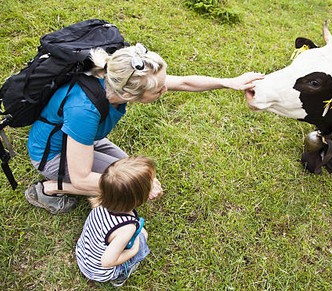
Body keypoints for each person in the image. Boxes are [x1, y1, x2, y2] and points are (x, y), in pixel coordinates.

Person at [24, 43, 264, 214]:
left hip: (85, 140)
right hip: (52, 155)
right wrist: (139, 186)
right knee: (132, 185)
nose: (165, 90)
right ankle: (47, 188)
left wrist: (228, 82)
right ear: (128, 95)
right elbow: (81, 176)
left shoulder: (120, 77)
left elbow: (184, 82)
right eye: (158, 90)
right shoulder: (84, 111)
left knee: (134, 172)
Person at [76, 156, 156, 286]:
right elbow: (107, 262)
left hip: (83, 254)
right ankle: (120, 276)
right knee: (143, 237)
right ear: (138, 197)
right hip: (99, 271)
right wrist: (133, 250)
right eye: (151, 183)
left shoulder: (102, 203)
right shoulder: (127, 228)